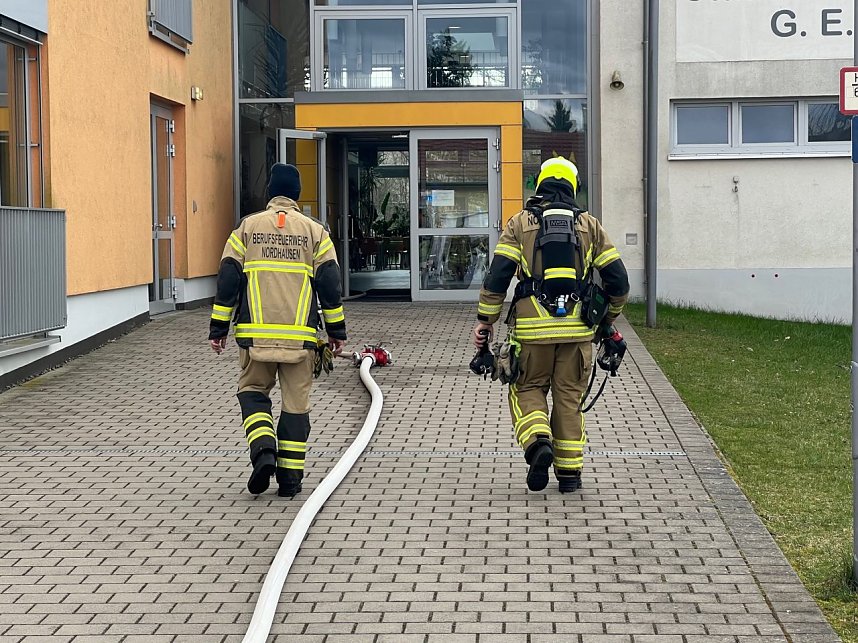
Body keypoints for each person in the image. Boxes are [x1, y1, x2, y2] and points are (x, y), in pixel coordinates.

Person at [473, 157, 629, 493]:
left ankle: (537, 442)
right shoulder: (590, 225)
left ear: (541, 184)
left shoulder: (519, 223)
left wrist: (486, 321)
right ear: (573, 186)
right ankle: (570, 475)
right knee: (569, 398)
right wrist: (607, 322)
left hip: (531, 334)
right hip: (578, 335)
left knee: (527, 389)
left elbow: (497, 276)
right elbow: (619, 282)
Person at [209, 163, 347, 498]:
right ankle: (289, 480)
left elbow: (228, 277)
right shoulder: (316, 232)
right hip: (300, 339)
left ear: (270, 191)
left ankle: (263, 450)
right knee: (296, 405)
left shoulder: (247, 227)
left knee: (253, 391)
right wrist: (337, 332)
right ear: (297, 194)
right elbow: (330, 283)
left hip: (255, 337)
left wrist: (218, 327)